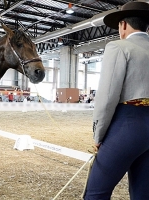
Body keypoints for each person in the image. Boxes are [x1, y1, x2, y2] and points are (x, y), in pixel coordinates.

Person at [84, 2, 149, 200]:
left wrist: (98, 135)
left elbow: (107, 97)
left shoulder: (118, 47)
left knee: (95, 193)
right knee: (143, 194)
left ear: (123, 25)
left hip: (127, 125)